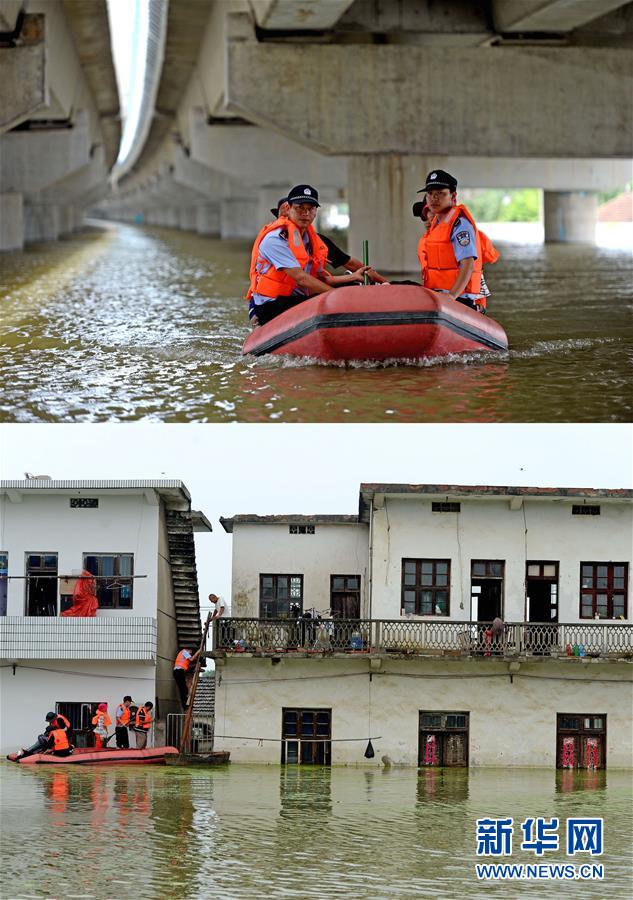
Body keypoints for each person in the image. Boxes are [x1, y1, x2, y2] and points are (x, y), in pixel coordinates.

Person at [246, 184, 370, 326]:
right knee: (330, 300)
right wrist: (335, 296)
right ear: (289, 209)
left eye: (310, 209)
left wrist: (352, 277)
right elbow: (302, 279)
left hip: (297, 297)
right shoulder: (275, 239)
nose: (305, 213)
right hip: (273, 304)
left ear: (315, 212)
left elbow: (317, 280)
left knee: (352, 287)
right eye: (300, 208)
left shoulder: (311, 240)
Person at [416, 169, 499, 313]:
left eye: (440, 193)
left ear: (452, 195)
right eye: (430, 194)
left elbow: (468, 264)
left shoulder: (460, 225)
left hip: (459, 299)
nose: (434, 198)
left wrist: (451, 296)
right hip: (439, 295)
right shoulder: (436, 223)